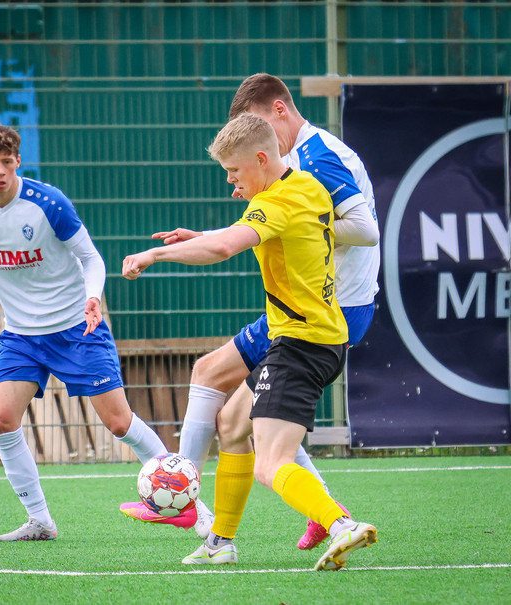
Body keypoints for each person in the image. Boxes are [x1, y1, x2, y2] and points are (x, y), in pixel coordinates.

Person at [120, 73, 380, 549]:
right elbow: (266, 225)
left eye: (234, 172)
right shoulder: (303, 184)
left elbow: (235, 244)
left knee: (269, 461)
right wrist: (224, 228)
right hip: (316, 331)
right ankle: (219, 542)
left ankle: (337, 521)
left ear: (263, 154)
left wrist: (155, 254)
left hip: (304, 337)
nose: (231, 183)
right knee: (233, 422)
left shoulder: (297, 181)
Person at [0, 123, 168, 542]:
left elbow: (91, 258)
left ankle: (188, 501)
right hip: (21, 337)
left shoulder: (49, 203)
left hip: (76, 328)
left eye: (6, 162)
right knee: (0, 419)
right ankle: (40, 520)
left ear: (18, 162)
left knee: (119, 423)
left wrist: (93, 298)